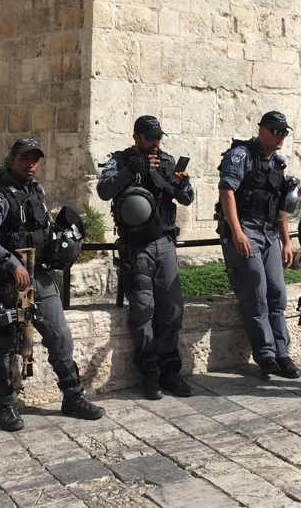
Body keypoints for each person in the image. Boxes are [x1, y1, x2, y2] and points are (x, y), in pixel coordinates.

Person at [0, 138, 106, 431]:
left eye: (35, 159)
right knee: (5, 346)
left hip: (38, 278)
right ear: (12, 159)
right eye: (24, 158)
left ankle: (72, 397)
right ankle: (5, 407)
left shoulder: (36, 191)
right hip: (9, 282)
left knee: (60, 335)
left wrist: (61, 242)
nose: (30, 164)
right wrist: (12, 263)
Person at [97, 115, 195, 400]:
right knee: (142, 310)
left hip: (165, 243)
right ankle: (149, 372)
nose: (156, 143)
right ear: (136, 137)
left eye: (158, 137)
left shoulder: (167, 161)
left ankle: (170, 371)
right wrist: (131, 170)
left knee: (172, 310)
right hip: (136, 246)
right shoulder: (120, 160)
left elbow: (186, 197)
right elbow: (104, 191)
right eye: (150, 138)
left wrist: (182, 184)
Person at [217, 111, 301, 379]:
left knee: (277, 293)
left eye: (284, 133)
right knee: (256, 291)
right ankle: (265, 354)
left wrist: (287, 242)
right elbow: (226, 191)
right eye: (276, 131)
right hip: (246, 229)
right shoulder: (241, 155)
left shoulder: (278, 164)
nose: (281, 137)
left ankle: (282, 353)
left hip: (269, 234)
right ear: (262, 130)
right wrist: (237, 232)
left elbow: (282, 207)